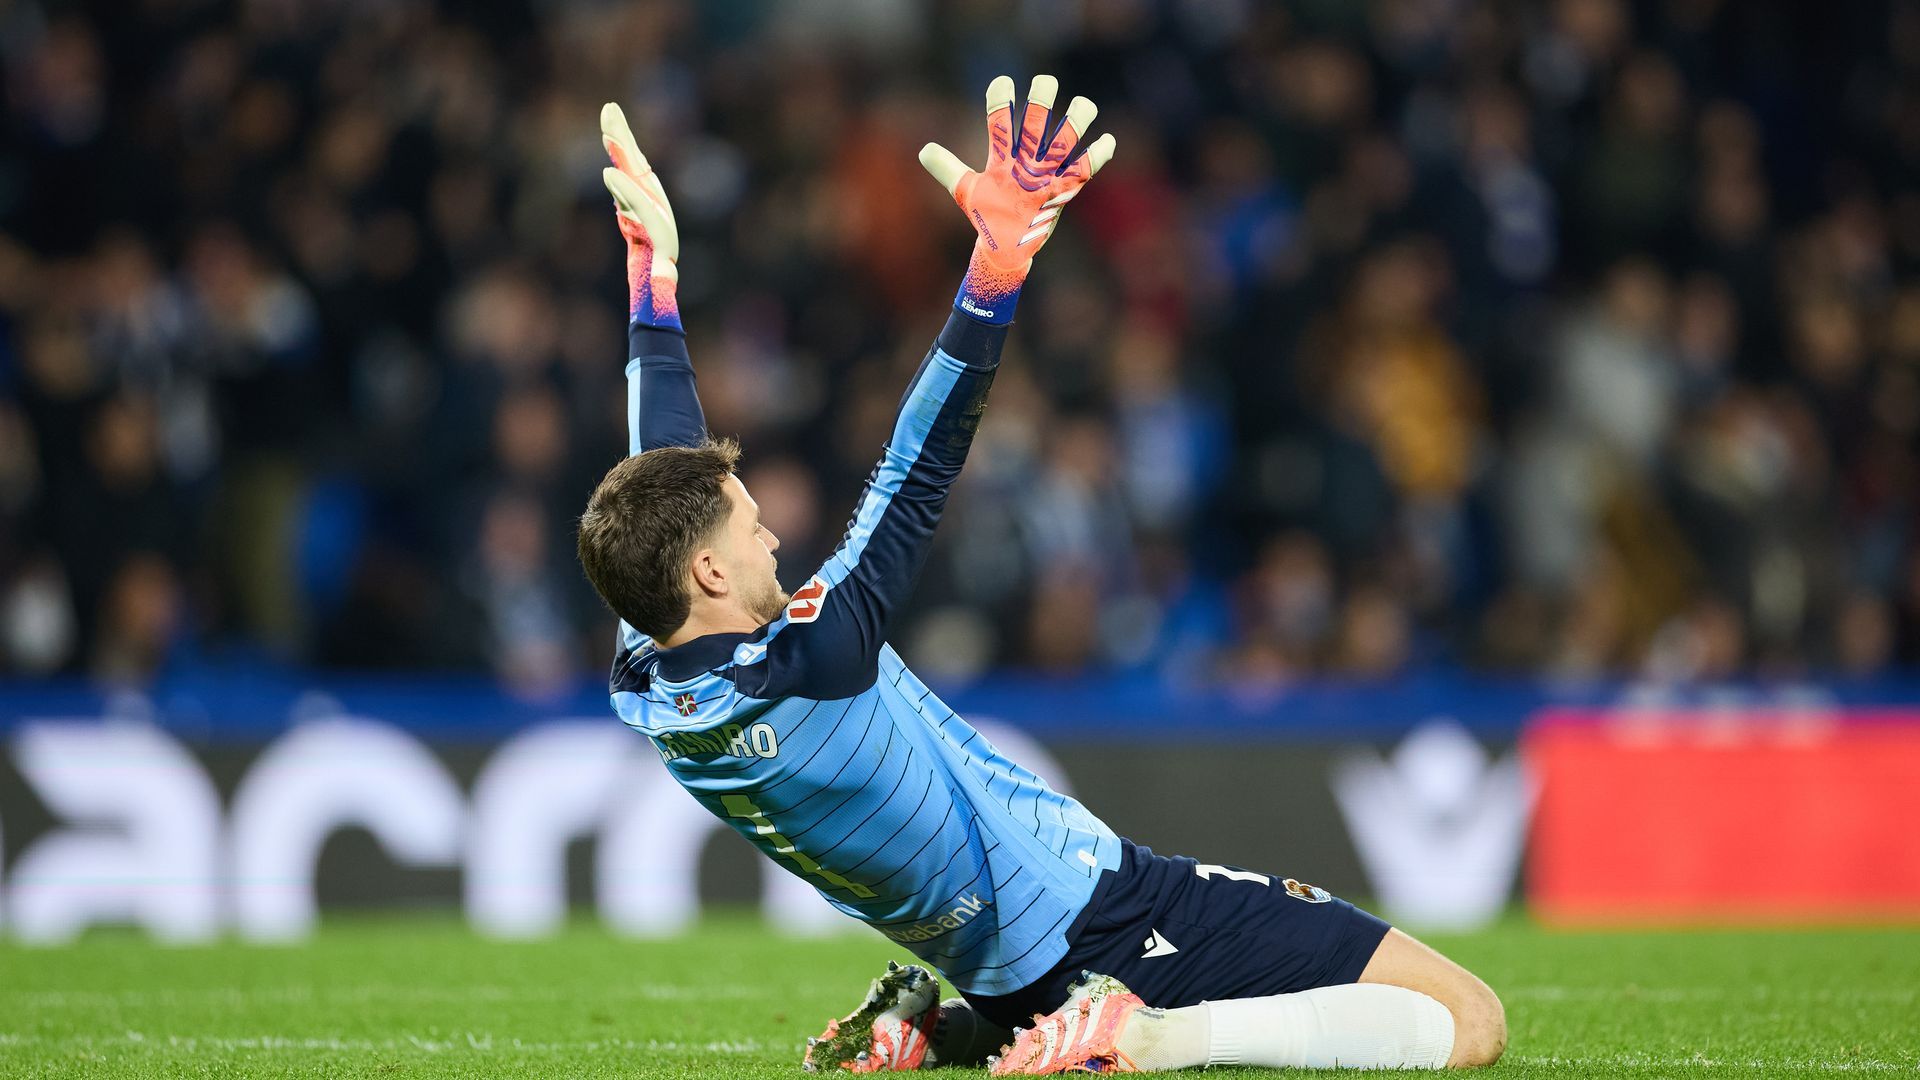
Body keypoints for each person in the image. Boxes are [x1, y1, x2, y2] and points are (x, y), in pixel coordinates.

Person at [576, 77, 1505, 1074]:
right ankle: (1146, 1033)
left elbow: (661, 482)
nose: (772, 538)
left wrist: (655, 290)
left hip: (1000, 967)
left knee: (1049, 982)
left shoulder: (652, 675)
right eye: (754, 528)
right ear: (710, 571)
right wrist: (994, 272)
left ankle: (941, 1033)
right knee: (1468, 1021)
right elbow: (915, 467)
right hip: (1104, 918)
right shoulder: (819, 656)